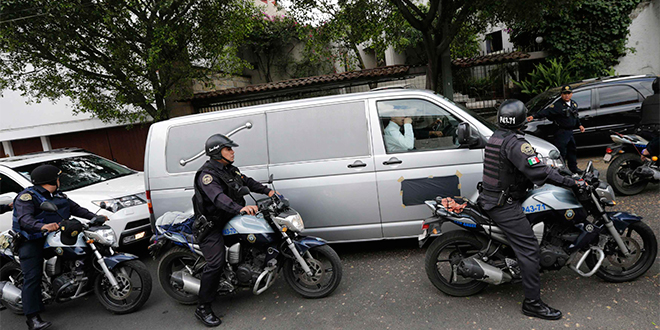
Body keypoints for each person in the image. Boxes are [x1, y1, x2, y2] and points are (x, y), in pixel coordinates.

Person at [478, 99, 582, 320]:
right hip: (504, 205)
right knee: (530, 250)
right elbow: (538, 172)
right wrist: (570, 181)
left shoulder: (496, 137)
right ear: (521, 120)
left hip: (494, 197)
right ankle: (532, 304)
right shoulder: (516, 144)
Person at [192, 134, 277, 327]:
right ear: (216, 152)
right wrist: (240, 209)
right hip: (213, 225)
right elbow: (218, 198)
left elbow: (247, 181)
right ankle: (203, 308)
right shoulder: (207, 175)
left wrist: (268, 191)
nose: (232, 151)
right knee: (216, 262)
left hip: (231, 218)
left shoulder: (230, 170)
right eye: (228, 149)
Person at [12, 165, 106, 330]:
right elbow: (24, 219)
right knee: (32, 277)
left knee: (89, 249)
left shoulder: (58, 195)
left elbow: (76, 209)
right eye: (57, 177)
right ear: (50, 180)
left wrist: (94, 217)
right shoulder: (27, 197)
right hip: (33, 239)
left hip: (57, 235)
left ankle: (85, 283)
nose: (59, 180)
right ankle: (33, 318)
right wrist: (42, 226)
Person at [527, 85, 585, 174]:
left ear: (571, 94)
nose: (567, 95)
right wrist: (533, 116)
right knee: (562, 152)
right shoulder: (557, 105)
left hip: (570, 132)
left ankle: (573, 168)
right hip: (561, 131)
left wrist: (580, 125)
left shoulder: (573, 104)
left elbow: (575, 116)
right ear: (561, 94)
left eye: (568, 93)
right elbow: (545, 112)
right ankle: (562, 170)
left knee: (572, 150)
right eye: (564, 93)